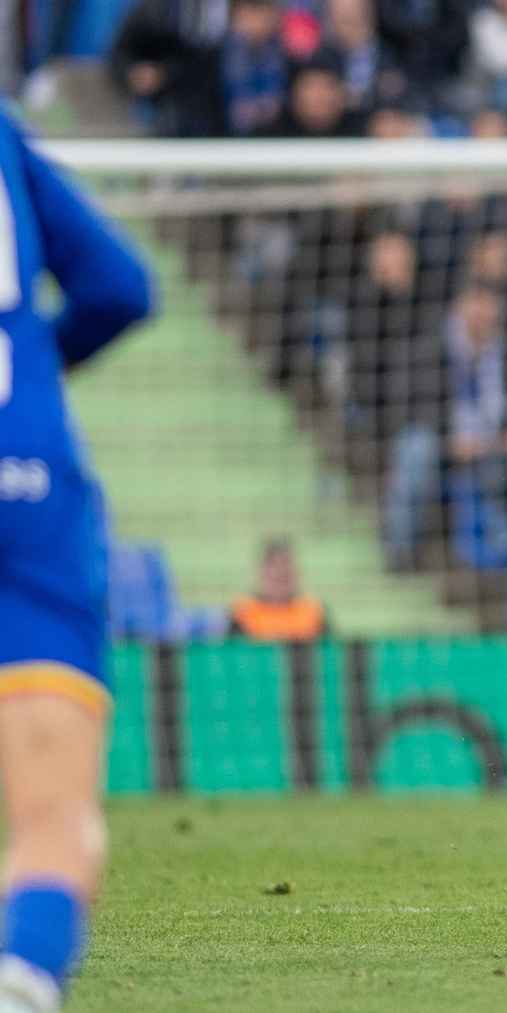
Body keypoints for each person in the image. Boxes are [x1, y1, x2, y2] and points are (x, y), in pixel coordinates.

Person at [0, 109, 156, 1011]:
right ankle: (25, 980)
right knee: (55, 817)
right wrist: (29, 364)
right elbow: (121, 287)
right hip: (24, 471)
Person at [227, 539, 330, 641]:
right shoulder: (242, 613)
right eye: (274, 566)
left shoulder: (313, 612)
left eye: (286, 565)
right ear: (262, 572)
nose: (281, 571)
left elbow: (330, 651)